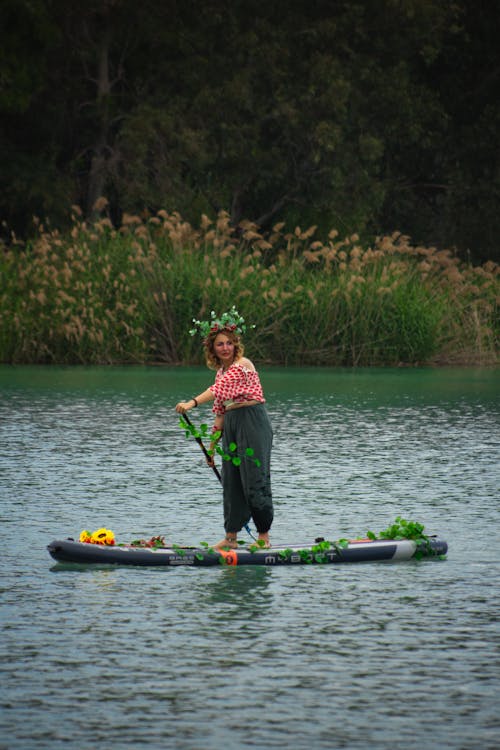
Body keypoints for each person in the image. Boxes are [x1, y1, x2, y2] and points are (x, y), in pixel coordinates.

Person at [175, 307, 273, 550]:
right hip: (231, 423)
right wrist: (210, 448)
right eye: (220, 344)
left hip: (252, 420)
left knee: (253, 478)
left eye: (229, 343)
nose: (225, 348)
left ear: (235, 345)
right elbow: (219, 413)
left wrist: (192, 403)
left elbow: (217, 391)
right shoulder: (221, 372)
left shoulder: (243, 364)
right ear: (213, 349)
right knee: (231, 480)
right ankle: (231, 538)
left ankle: (263, 538)